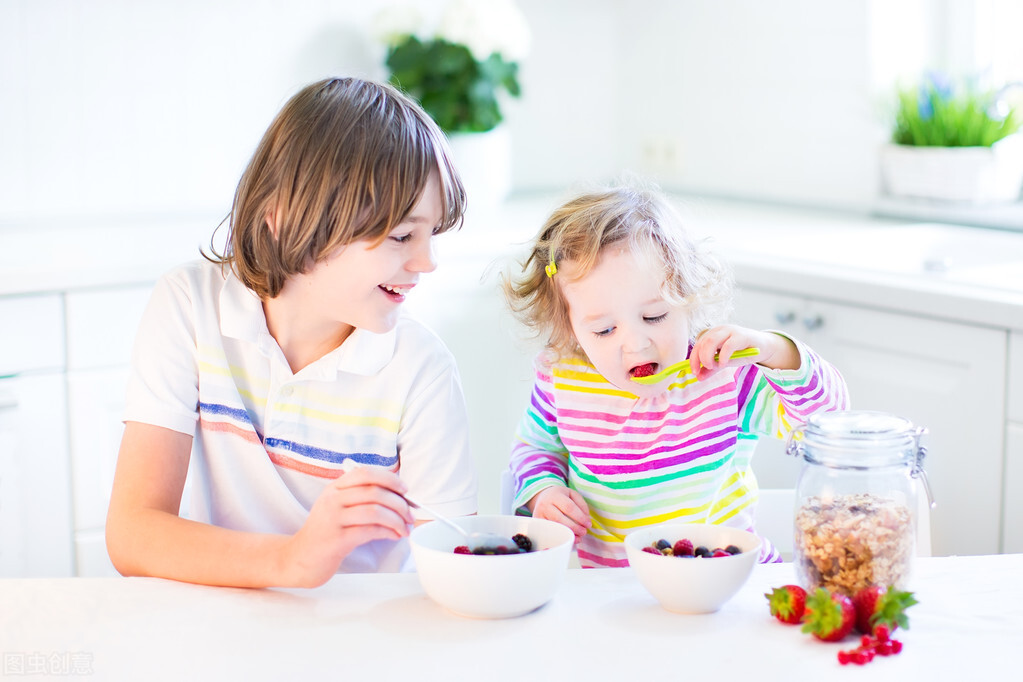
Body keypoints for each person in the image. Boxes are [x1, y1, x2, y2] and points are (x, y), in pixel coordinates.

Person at [106, 77, 477, 588]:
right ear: (283, 219)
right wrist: (293, 561)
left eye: (431, 234)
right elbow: (133, 533)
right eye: (400, 235)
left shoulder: (421, 368)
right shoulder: (190, 307)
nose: (427, 262)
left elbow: (452, 563)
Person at [503, 182, 849, 567]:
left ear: (689, 298)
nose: (635, 344)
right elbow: (534, 448)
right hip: (617, 594)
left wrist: (774, 350)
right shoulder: (563, 381)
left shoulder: (724, 375)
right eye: (603, 329)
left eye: (655, 316)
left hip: (727, 580)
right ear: (570, 328)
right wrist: (544, 490)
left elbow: (826, 420)